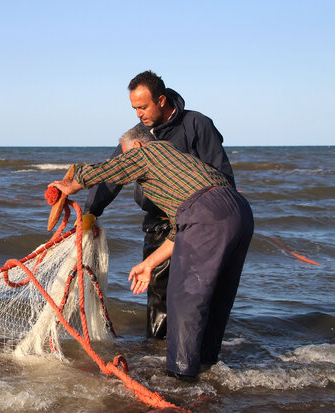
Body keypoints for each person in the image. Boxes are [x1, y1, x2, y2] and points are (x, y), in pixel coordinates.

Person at [50, 126, 253, 378]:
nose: (128, 161)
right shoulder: (179, 164)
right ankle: (207, 365)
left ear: (136, 147)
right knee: (217, 296)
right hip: (239, 210)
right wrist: (149, 263)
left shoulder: (148, 152)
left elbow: (108, 170)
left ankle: (181, 376)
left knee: (184, 298)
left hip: (207, 214)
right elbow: (183, 229)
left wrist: (72, 183)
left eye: (127, 154)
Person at [84, 70, 236, 339]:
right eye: (134, 108)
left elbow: (221, 177)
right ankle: (156, 355)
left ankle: (197, 356)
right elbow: (111, 175)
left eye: (142, 107)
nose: (138, 114)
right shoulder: (137, 135)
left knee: (194, 294)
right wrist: (90, 213)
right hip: (157, 226)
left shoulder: (196, 124)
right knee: (158, 299)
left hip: (196, 225)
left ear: (162, 100)